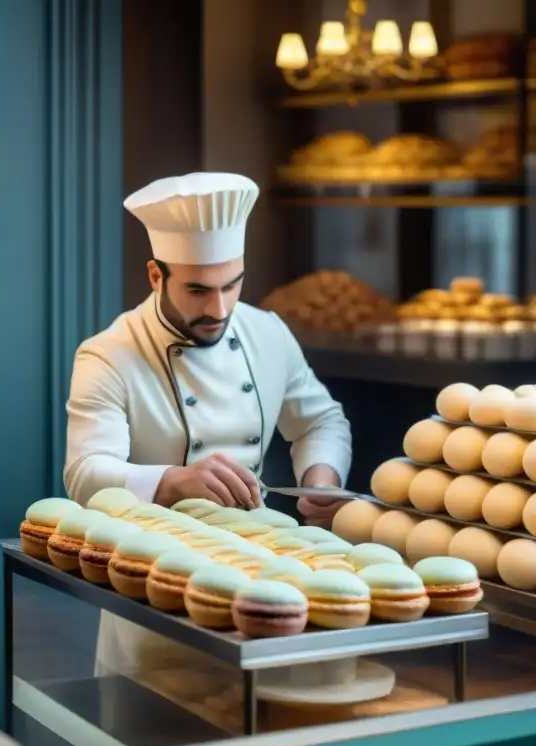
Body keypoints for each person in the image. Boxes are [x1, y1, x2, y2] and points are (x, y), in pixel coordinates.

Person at [62, 172, 353, 709]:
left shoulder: (267, 333)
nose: (219, 309)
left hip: (267, 583)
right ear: (155, 275)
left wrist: (322, 479)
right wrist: (173, 481)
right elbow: (84, 474)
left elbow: (321, 421)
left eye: (232, 285)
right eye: (197, 289)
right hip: (155, 592)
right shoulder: (108, 354)